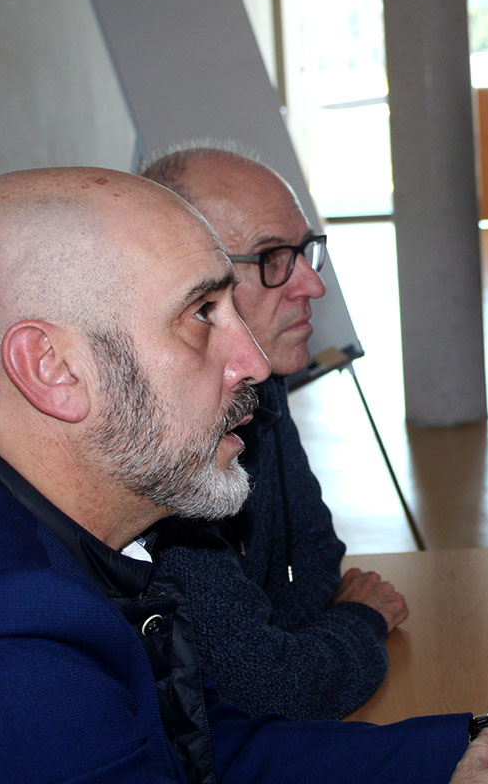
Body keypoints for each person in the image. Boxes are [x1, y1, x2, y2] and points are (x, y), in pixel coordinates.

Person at [0, 167, 488, 783]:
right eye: (201, 313)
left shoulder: (77, 535)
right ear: (53, 369)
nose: (252, 361)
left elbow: (214, 754)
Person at [140, 145, 403, 721]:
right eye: (272, 257)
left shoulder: (259, 386)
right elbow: (270, 690)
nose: (312, 284)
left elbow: (315, 555)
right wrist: (357, 619)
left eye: (305, 250)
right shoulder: (157, 446)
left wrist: (288, 639)